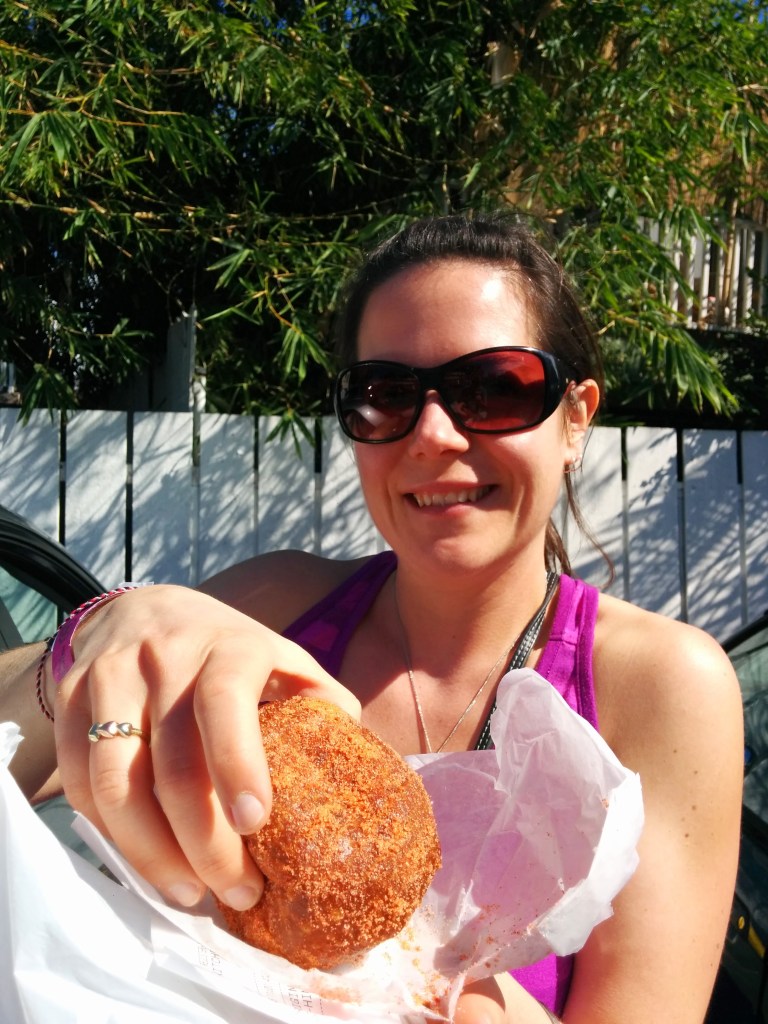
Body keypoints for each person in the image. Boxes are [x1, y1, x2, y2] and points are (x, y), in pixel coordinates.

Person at [2, 213, 743, 1023]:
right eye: (385, 395)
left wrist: (431, 988)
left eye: (494, 388)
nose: (432, 434)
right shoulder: (274, 609)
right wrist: (93, 638)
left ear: (574, 419)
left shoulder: (663, 685)